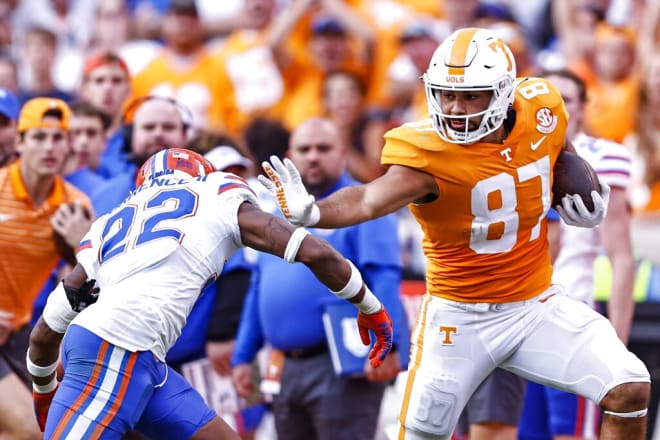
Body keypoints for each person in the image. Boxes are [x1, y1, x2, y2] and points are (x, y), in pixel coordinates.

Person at [259, 27, 651, 439]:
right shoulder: (428, 152)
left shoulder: (541, 106)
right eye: (446, 94)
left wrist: (577, 193)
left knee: (629, 386)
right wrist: (315, 211)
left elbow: (557, 147)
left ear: (503, 93)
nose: (455, 107)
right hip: (458, 318)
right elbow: (368, 199)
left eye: (470, 95)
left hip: (535, 304)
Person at [26, 147, 394, 439]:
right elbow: (315, 252)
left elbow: (43, 336)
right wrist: (369, 305)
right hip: (117, 350)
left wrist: (44, 395)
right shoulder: (216, 194)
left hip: (133, 357)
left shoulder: (108, 226)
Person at [231, 117, 407, 440]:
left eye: (323, 148)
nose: (313, 156)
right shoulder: (273, 212)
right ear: (290, 155)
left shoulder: (365, 204)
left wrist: (391, 346)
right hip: (284, 365)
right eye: (304, 149)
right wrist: (243, 356)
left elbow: (384, 278)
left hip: (344, 362)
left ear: (343, 154)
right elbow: (259, 288)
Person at [518, 69, 636, 440]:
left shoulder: (602, 157)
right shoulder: (510, 156)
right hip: (516, 318)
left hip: (572, 313)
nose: (552, 109)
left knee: (570, 432)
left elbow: (621, 256)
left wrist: (616, 341)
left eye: (565, 99)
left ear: (584, 107)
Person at [0, 97, 91, 439]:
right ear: (20, 142)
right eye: (38, 137)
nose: (48, 147)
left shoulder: (74, 205)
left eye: (57, 137)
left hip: (18, 335)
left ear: (69, 144)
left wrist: (84, 246)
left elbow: (94, 286)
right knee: (31, 431)